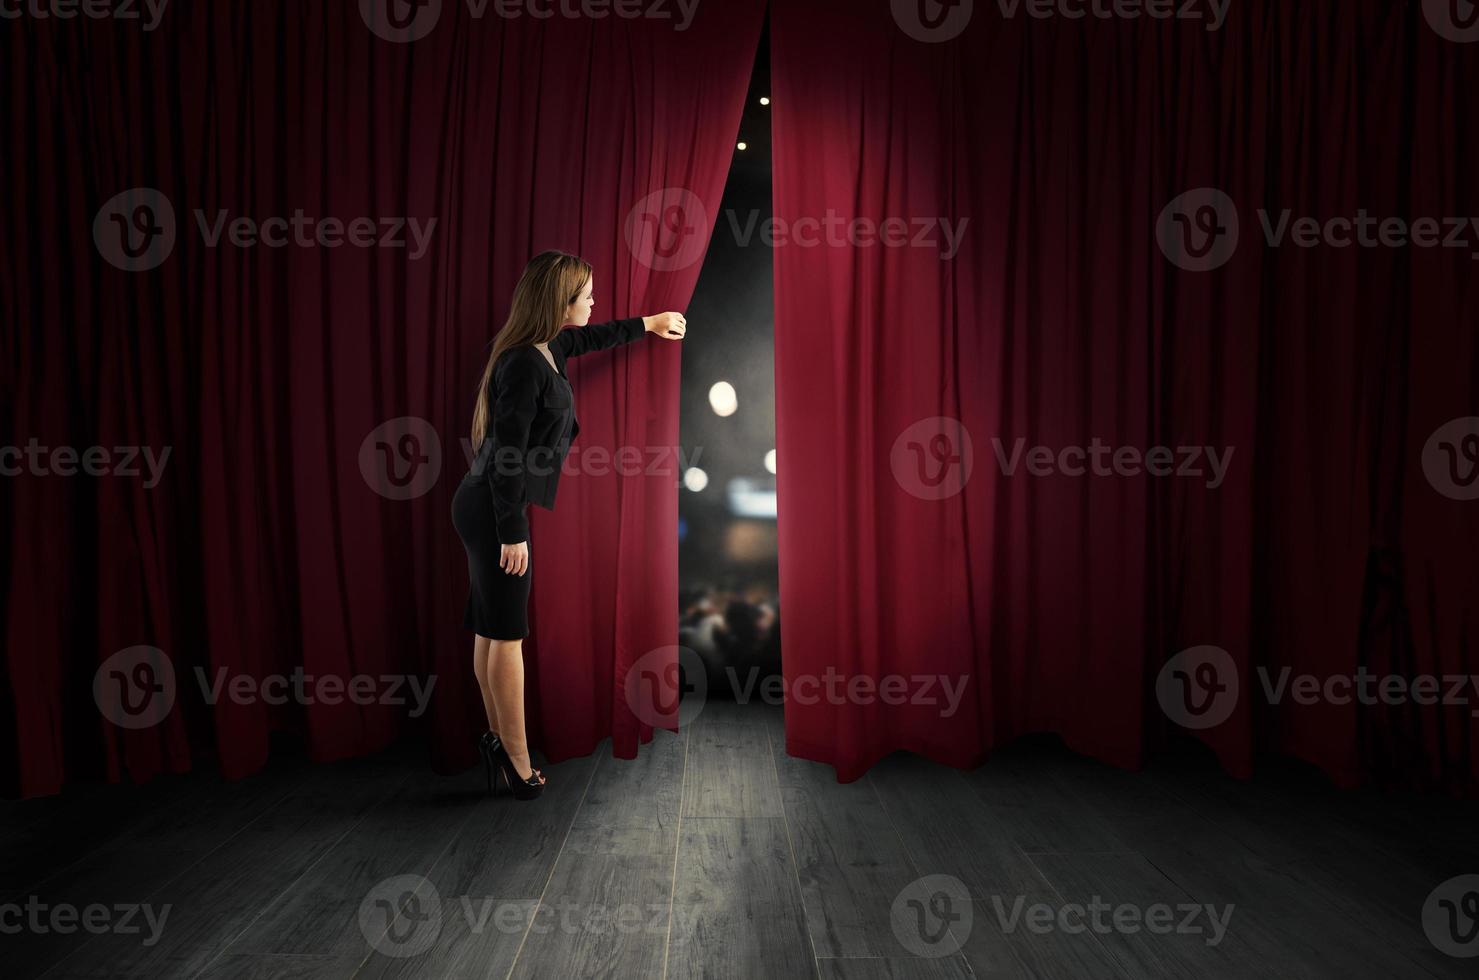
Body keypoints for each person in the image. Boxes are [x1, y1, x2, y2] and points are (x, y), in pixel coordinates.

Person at [451, 249, 687, 799]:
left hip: (484, 502)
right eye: (586, 295)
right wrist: (512, 531)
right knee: (506, 635)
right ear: (560, 302)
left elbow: (587, 339)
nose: (594, 302)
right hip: (492, 509)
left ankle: (495, 742)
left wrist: (647, 324)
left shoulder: (545, 348)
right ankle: (517, 760)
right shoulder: (522, 363)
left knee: (491, 628)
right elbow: (508, 454)